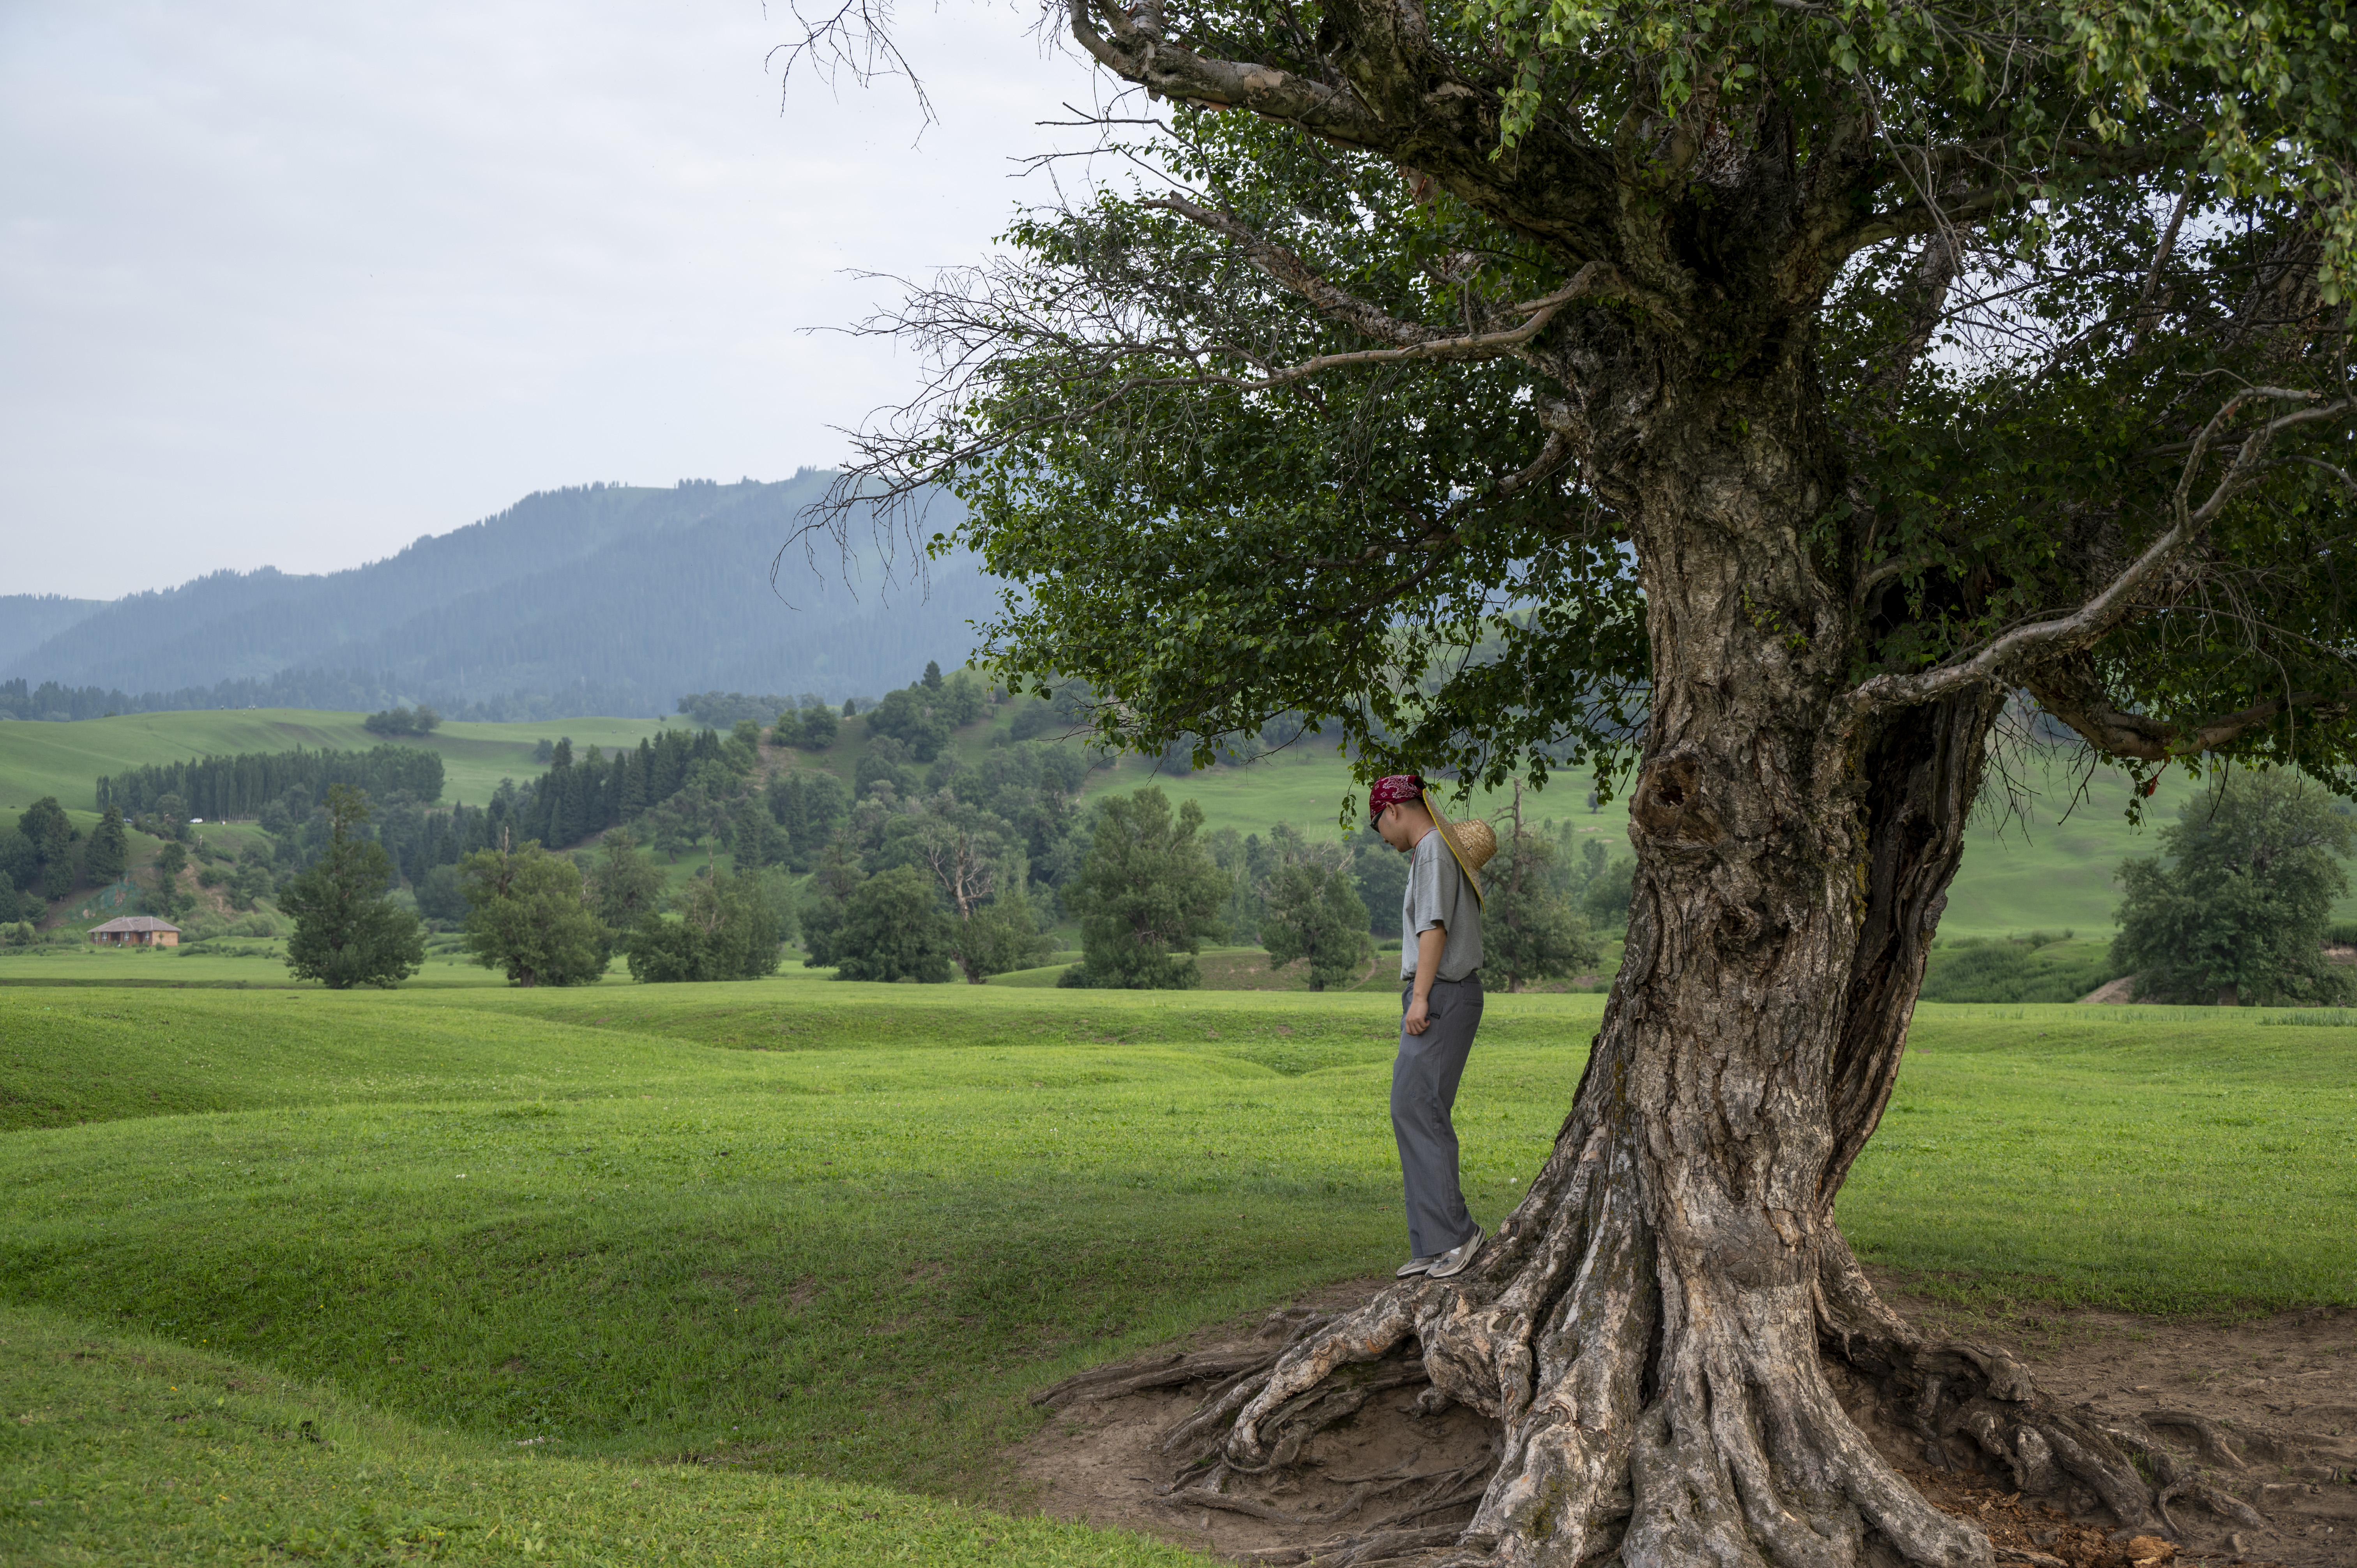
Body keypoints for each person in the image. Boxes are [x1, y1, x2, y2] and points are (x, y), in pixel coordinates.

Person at [1368, 774, 1496, 1281]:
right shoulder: (1432, 854)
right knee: (1412, 1107)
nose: (1380, 835)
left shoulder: (1434, 852)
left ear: (1394, 809)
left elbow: (1433, 929)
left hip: (1442, 993)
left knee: (1418, 1107)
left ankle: (1456, 1237)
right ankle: (1430, 1243)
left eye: (1377, 822)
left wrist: (1419, 997)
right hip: (1440, 994)